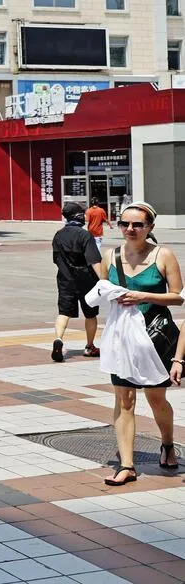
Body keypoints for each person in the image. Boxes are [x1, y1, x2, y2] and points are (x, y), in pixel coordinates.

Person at [94, 202, 184, 486]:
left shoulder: (163, 255)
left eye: (137, 225)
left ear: (150, 228)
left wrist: (142, 295)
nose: (130, 229)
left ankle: (168, 443)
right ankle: (127, 464)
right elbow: (105, 289)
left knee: (156, 398)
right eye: (124, 224)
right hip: (124, 337)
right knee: (124, 399)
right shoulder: (111, 256)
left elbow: (178, 296)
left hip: (156, 337)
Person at [52, 202, 103, 362]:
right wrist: (104, 280)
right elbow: (94, 260)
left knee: (64, 313)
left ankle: (59, 339)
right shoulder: (85, 235)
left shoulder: (58, 235)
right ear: (78, 216)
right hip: (86, 281)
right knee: (91, 314)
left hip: (65, 280)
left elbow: (56, 259)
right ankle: (89, 346)